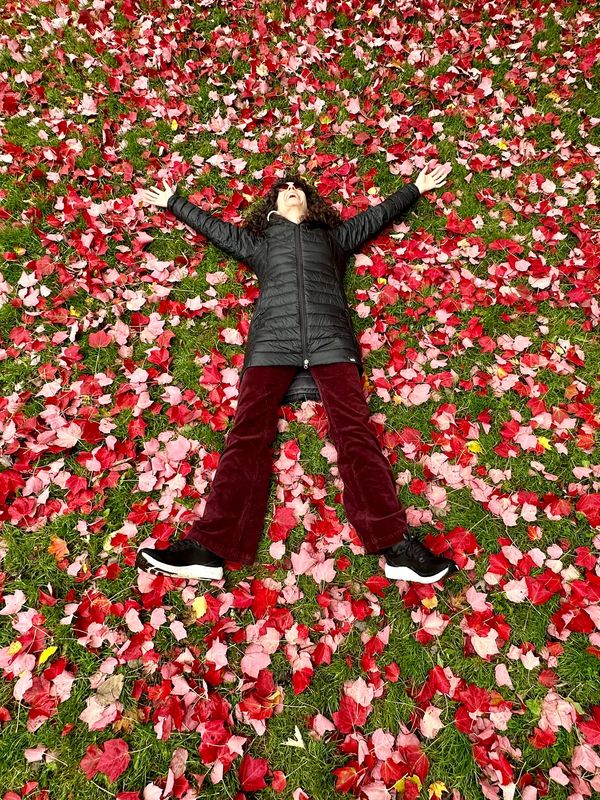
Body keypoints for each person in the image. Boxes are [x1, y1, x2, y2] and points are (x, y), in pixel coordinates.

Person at [135, 165, 459, 585]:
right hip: (271, 344)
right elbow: (215, 229)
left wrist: (415, 187)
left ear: (309, 201)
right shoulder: (259, 244)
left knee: (356, 433)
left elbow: (377, 216)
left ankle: (395, 545)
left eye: (297, 188)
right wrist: (173, 202)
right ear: (273, 203)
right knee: (247, 434)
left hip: (331, 342)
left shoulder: (334, 237)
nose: (290, 191)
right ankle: (209, 547)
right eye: (283, 189)